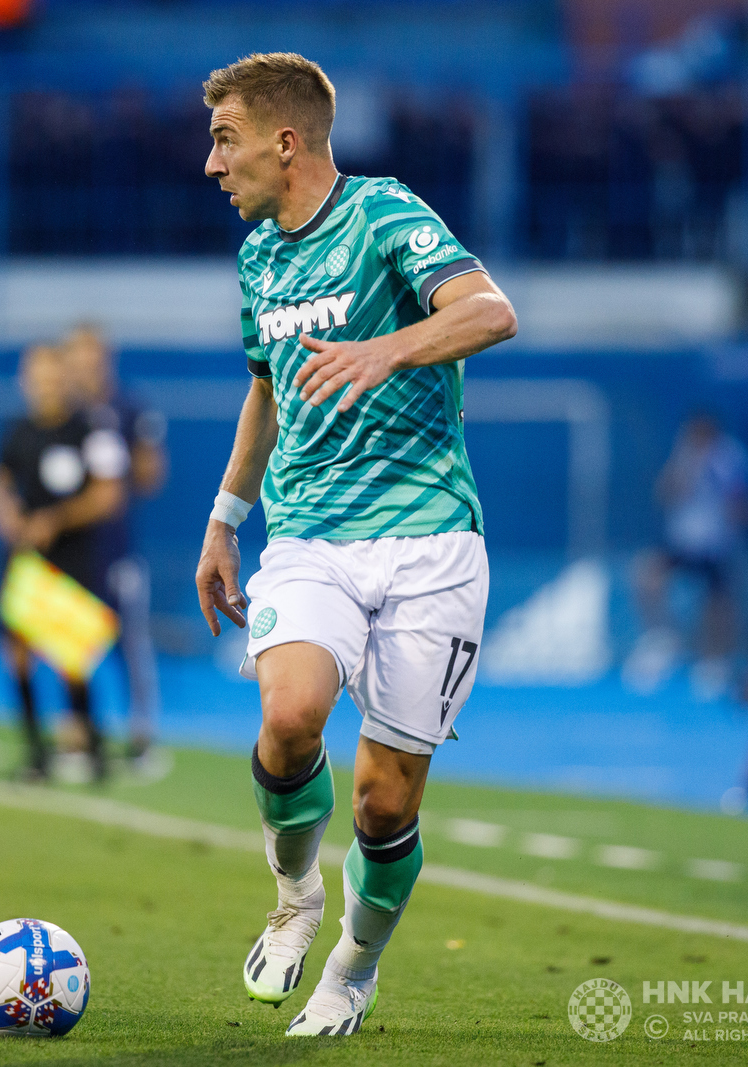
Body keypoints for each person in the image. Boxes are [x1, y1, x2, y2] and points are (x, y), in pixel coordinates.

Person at [193, 53, 517, 1036]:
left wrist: (388, 346)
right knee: (289, 716)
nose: (213, 165)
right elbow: (267, 389)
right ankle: (294, 900)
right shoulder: (258, 259)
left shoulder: (383, 214)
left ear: (285, 142)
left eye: (225, 139)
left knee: (382, 801)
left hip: (429, 544)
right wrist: (224, 515)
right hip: (310, 536)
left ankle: (353, 965)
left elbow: (490, 311)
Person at [0, 344, 128, 784]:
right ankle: (35, 752)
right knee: (19, 655)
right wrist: (7, 514)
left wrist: (55, 520)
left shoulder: (89, 429)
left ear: (65, 379)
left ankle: (92, 742)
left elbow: (108, 496)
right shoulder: (16, 431)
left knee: (71, 654)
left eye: (52, 375)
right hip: (25, 561)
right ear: (24, 381)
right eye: (36, 376)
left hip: (73, 558)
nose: (45, 384)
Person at [61, 324, 169, 760]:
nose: (86, 367)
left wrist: (118, 467)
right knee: (70, 643)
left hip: (116, 548)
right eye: (78, 358)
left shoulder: (128, 409)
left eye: (93, 357)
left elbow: (151, 476)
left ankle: (142, 731)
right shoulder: (62, 416)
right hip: (70, 550)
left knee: (132, 643)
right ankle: (80, 731)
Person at [623, 412, 748, 699]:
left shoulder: (731, 458)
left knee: (719, 602)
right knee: (647, 574)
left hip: (717, 545)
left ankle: (716, 661)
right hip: (682, 543)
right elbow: (664, 494)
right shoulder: (683, 456)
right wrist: (687, 469)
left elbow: (740, 505)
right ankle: (662, 640)